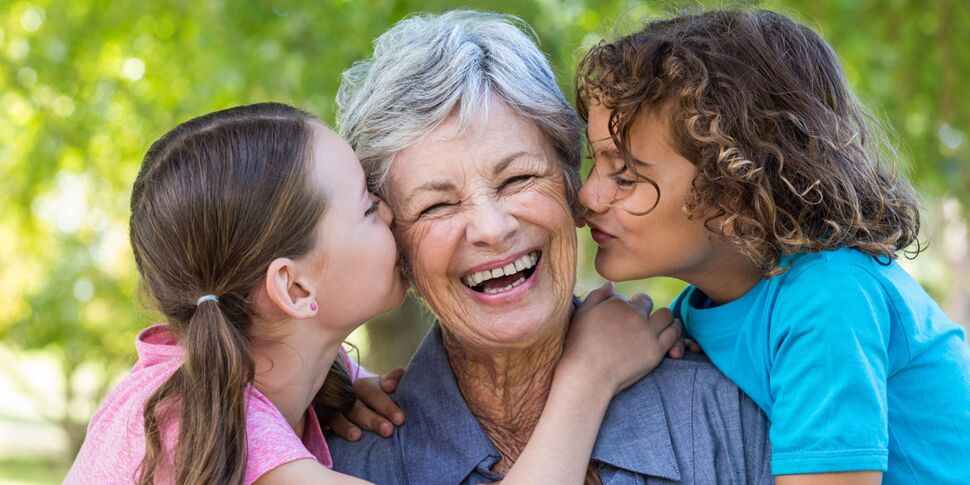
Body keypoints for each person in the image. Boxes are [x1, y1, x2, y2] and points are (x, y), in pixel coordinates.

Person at [64, 102, 680, 485]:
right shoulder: (200, 426)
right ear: (296, 287)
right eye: (366, 206)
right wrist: (588, 377)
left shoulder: (232, 379)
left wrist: (335, 383)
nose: (392, 213)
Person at [328, 11, 772, 484]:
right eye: (438, 205)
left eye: (518, 178)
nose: (492, 229)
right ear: (396, 249)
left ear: (570, 188)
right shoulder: (346, 464)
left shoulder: (729, 409)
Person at [575, 9, 970, 485]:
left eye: (626, 175)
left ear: (736, 189)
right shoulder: (701, 309)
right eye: (593, 164)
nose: (587, 196)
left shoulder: (827, 298)